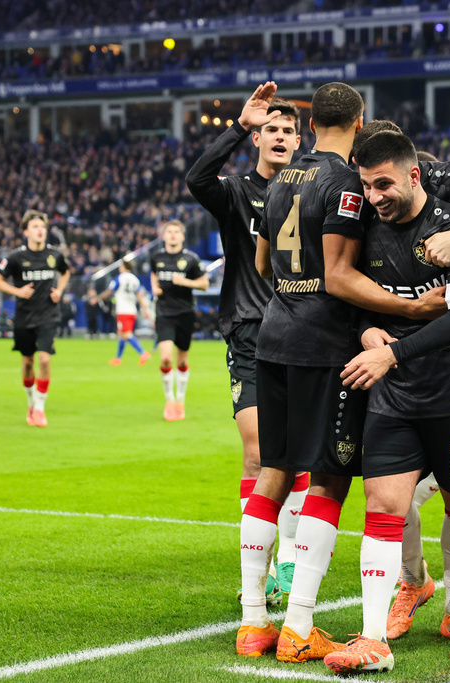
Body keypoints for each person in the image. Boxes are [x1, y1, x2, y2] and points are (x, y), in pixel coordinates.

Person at [236, 83, 448, 663]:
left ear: (308, 123)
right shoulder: (345, 184)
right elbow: (337, 277)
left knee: (273, 473)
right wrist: (411, 307)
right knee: (329, 481)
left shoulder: (279, 178)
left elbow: (261, 261)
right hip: (323, 346)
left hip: (273, 335)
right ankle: (299, 625)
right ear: (358, 123)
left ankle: (255, 622)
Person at [323, 130, 450, 674]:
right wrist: (368, 335)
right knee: (382, 506)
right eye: (367, 185)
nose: (375, 196)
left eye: (384, 184)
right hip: (395, 398)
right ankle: (373, 638)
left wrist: (391, 353)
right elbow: (357, 302)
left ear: (413, 175)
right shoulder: (368, 232)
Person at [186, 82, 309, 600]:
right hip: (251, 332)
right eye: (271, 130)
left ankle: (287, 561)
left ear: (299, 141)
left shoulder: (311, 192)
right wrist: (237, 125)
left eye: (287, 131)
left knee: (300, 456)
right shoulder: (236, 193)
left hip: (305, 333)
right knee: (258, 453)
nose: (279, 137)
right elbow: (196, 178)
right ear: (259, 138)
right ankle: (256, 576)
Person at [0, 210, 70, 428]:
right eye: (36, 227)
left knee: (45, 360)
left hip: (48, 314)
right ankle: (30, 402)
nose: (40, 231)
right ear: (26, 231)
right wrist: (16, 292)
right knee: (28, 362)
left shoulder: (54, 254)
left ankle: (40, 408)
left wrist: (60, 291)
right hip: (24, 316)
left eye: (43, 228)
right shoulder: (16, 257)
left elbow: (65, 273)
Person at [149, 219, 209, 421]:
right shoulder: (156, 257)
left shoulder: (191, 259)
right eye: (169, 232)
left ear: (182, 236)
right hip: (164, 313)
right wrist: (155, 287)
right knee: (166, 358)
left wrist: (185, 281)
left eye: (176, 232)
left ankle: (181, 401)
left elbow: (204, 284)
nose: (173, 235)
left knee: (182, 359)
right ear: (164, 236)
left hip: (185, 313)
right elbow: (153, 274)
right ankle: (170, 401)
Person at [97, 258, 151, 366]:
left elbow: (109, 291)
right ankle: (118, 359)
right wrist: (145, 310)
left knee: (127, 334)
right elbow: (140, 297)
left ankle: (143, 353)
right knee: (121, 335)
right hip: (132, 311)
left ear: (123, 267)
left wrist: (97, 298)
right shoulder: (135, 279)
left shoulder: (119, 278)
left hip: (123, 311)